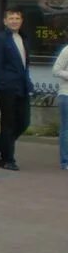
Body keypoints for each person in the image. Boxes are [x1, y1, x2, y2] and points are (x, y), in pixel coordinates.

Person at [0, 7, 33, 171]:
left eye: (17, 18)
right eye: (11, 18)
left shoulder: (23, 38)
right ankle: (7, 159)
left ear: (21, 21)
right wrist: (4, 82)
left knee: (24, 122)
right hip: (7, 88)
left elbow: (24, 64)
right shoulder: (0, 39)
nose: (14, 21)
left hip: (22, 87)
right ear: (5, 21)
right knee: (8, 123)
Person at [54, 43, 68, 171]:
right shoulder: (66, 50)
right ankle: (65, 161)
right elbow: (56, 70)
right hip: (66, 94)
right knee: (66, 128)